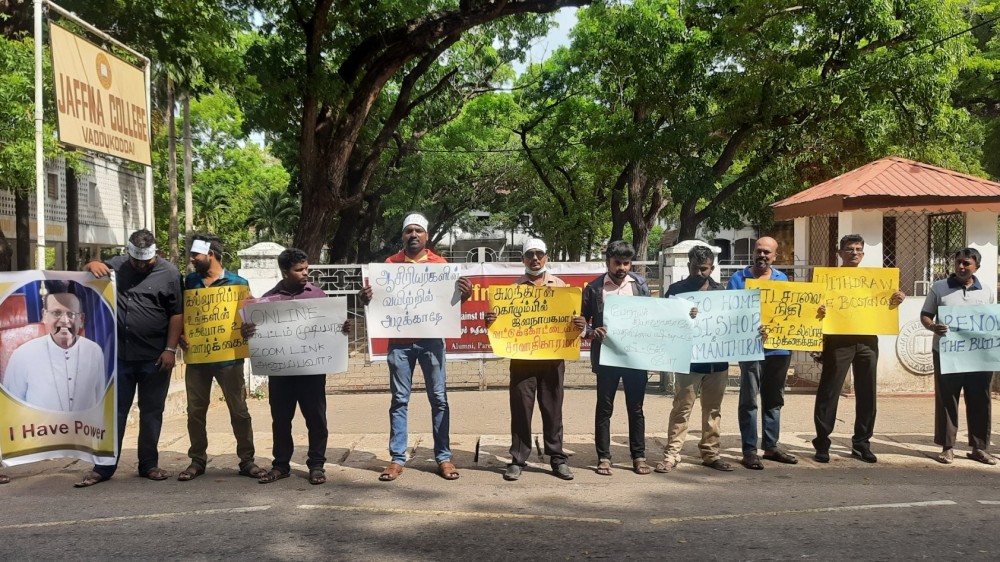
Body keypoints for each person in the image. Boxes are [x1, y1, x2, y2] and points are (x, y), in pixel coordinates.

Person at [359, 213, 472, 482]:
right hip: (399, 343)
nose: (413, 235)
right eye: (408, 231)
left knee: (439, 398)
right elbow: (377, 302)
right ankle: (397, 459)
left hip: (431, 341)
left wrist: (464, 294)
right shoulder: (389, 265)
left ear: (426, 236)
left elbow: (450, 304)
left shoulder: (440, 265)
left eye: (418, 231)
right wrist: (365, 298)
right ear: (402, 236)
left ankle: (443, 457)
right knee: (399, 399)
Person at [75, 229, 184, 488]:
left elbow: (177, 314)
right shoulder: (116, 266)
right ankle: (103, 467)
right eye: (136, 261)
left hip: (155, 358)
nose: (141, 266)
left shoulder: (169, 274)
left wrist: (170, 350)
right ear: (128, 253)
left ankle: (148, 464)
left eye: (146, 261)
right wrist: (91, 264)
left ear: (155, 254)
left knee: (151, 412)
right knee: (115, 414)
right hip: (119, 357)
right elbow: (86, 275)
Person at [241, 248, 350, 485]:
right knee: (281, 420)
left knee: (316, 419)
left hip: (311, 372)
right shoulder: (267, 301)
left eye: (306, 268)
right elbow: (252, 333)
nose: (305, 273)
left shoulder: (318, 296)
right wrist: (247, 331)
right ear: (284, 272)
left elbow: (333, 328)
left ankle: (317, 465)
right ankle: (281, 465)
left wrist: (343, 328)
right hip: (281, 373)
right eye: (299, 270)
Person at [486, 238, 586, 481]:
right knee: (521, 409)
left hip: (552, 358)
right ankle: (518, 458)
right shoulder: (511, 292)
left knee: (553, 410)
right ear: (523, 259)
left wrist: (581, 326)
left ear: (546, 257)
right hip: (522, 359)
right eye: (529, 254)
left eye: (539, 254)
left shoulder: (562, 288)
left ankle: (557, 458)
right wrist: (491, 322)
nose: (534, 258)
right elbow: (501, 328)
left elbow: (574, 325)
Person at [177, 233, 266, 481]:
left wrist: (249, 327)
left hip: (229, 360)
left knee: (239, 410)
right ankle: (197, 460)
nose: (192, 259)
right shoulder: (189, 283)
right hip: (197, 359)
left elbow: (251, 317)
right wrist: (182, 335)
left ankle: (247, 460)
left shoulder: (238, 283)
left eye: (196, 255)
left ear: (211, 255)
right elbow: (182, 315)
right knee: (195, 411)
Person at [812, 234, 905, 463]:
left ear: (863, 254)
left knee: (867, 393)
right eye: (850, 249)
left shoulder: (875, 280)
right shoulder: (829, 279)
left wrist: (897, 298)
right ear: (840, 253)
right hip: (838, 341)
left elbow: (886, 305)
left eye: (858, 249)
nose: (854, 253)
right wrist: (820, 308)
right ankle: (822, 443)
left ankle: (862, 443)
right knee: (829, 392)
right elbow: (813, 304)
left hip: (867, 342)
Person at [581, 240, 652, 476]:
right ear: (607, 262)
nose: (622, 268)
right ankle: (603, 457)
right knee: (604, 408)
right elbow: (581, 323)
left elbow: (652, 318)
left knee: (636, 407)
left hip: (635, 357)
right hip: (607, 356)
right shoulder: (593, 288)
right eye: (617, 263)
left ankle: (639, 456)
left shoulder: (640, 285)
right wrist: (592, 332)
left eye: (626, 263)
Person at [659, 245, 733, 472]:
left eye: (704, 269)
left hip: (717, 361)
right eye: (695, 268)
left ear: (712, 267)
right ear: (688, 265)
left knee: (713, 409)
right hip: (688, 360)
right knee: (682, 408)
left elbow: (731, 325)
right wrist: (684, 316)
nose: (699, 273)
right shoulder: (676, 291)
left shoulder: (721, 293)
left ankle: (711, 453)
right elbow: (664, 321)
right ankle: (672, 454)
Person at [920, 248, 997, 465]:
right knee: (947, 399)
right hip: (947, 353)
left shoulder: (987, 291)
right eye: (958, 263)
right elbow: (925, 315)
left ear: (977, 267)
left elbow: (990, 322)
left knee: (980, 398)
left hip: (979, 355)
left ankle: (979, 448)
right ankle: (947, 447)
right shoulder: (940, 288)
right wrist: (933, 326)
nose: (961, 267)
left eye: (966, 264)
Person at [727, 236, 797, 470]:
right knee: (749, 399)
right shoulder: (739, 279)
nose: (762, 256)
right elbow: (730, 313)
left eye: (767, 252)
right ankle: (749, 450)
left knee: (774, 399)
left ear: (775, 256)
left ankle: (771, 446)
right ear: (753, 252)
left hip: (778, 348)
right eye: (759, 251)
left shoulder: (782, 278)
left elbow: (789, 312)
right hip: (751, 348)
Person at [4, 288, 106, 412]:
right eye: (56, 313)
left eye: (71, 314)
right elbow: (11, 406)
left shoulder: (94, 351)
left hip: (83, 429)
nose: (64, 320)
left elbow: (101, 402)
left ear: (81, 320)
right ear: (44, 315)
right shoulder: (22, 355)